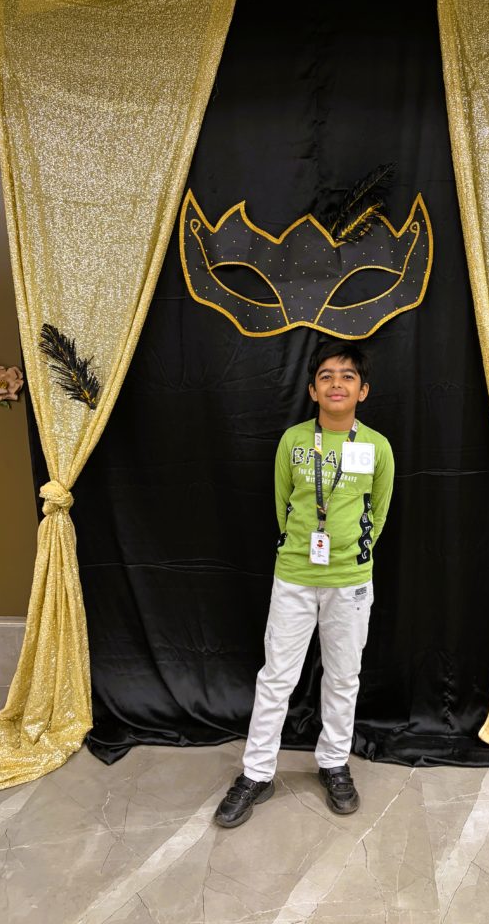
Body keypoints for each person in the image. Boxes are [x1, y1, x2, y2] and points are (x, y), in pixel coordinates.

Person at [214, 339, 395, 828]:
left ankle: (333, 763)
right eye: (326, 376)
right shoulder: (293, 441)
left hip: (350, 581)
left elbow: (379, 512)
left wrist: (352, 551)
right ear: (313, 390)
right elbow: (282, 504)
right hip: (294, 576)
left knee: (343, 676)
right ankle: (257, 773)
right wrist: (303, 546)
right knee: (276, 676)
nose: (337, 384)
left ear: (363, 390)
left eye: (348, 376)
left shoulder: (376, 446)